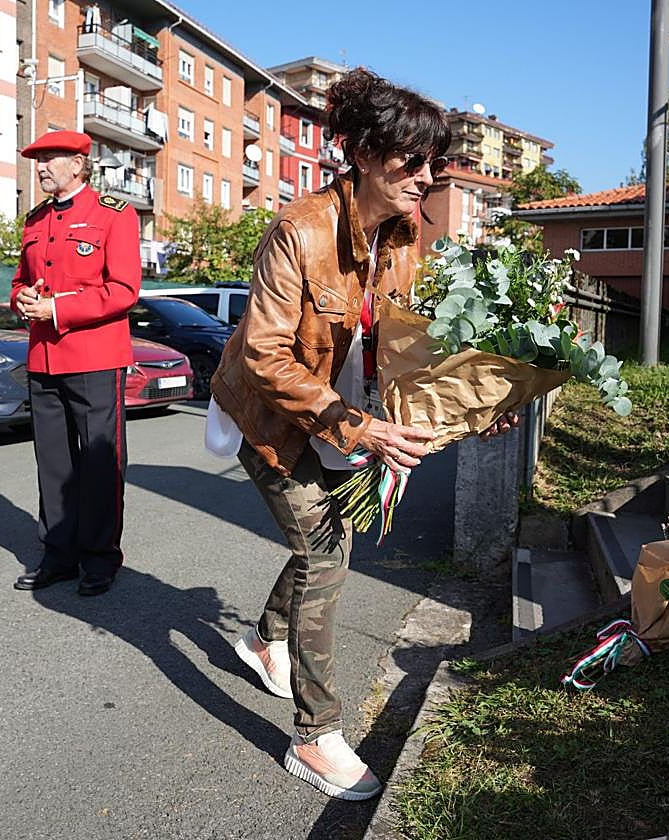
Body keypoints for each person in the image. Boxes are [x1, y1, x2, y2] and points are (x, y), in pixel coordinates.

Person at [209, 69, 517, 800]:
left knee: (328, 541)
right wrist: (360, 428)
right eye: (412, 161)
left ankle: (263, 639)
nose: (427, 176)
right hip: (272, 417)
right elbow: (264, 355)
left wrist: (478, 406)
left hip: (344, 418)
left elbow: (418, 341)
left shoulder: (406, 235)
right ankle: (315, 737)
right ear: (368, 155)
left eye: (434, 162)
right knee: (326, 553)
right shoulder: (298, 230)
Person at [10, 130, 140, 597]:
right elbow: (21, 280)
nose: (41, 167)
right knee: (54, 465)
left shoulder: (113, 214)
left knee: (100, 464)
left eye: (50, 159)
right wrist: (20, 297)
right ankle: (59, 553)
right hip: (44, 357)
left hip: (94, 357)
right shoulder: (35, 219)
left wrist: (59, 311)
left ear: (78, 165)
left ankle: (100, 557)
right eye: (38, 159)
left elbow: (123, 289)